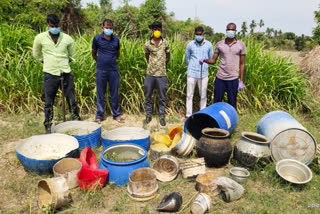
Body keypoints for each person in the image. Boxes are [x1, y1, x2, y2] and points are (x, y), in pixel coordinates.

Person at [33, 14, 81, 134]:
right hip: (50, 73)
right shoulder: (40, 38)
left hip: (65, 72)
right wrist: (45, 61)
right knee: (49, 101)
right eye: (52, 26)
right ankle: (48, 125)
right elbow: (36, 54)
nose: (55, 28)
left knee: (71, 99)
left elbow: (72, 55)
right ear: (48, 25)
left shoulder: (67, 39)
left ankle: (75, 120)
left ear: (60, 25)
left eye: (57, 25)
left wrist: (64, 62)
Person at [200, 23, 245, 110]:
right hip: (220, 78)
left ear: (235, 31)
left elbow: (242, 63)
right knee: (217, 101)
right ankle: (215, 120)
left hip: (233, 79)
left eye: (232, 30)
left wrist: (241, 81)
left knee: (232, 103)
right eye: (228, 30)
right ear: (226, 31)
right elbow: (213, 60)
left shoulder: (240, 45)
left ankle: (232, 121)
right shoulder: (219, 44)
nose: (230, 32)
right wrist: (205, 60)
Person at [92, 19, 124, 124]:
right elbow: (94, 53)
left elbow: (117, 53)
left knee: (114, 92)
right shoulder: (97, 39)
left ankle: (116, 114)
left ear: (113, 28)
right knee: (100, 92)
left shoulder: (116, 39)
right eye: (106, 28)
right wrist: (101, 61)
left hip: (113, 70)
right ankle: (99, 115)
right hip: (101, 70)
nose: (108, 30)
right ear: (103, 28)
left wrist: (111, 60)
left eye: (110, 28)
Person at [144, 21, 170, 126]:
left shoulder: (165, 43)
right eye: (154, 29)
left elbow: (168, 56)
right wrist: (152, 65)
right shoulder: (147, 44)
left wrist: (162, 65)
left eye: (158, 29)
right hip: (150, 74)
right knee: (148, 95)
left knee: (162, 97)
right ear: (152, 30)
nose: (156, 31)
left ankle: (162, 116)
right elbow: (147, 56)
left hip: (161, 74)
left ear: (161, 30)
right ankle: (148, 115)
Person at [185, 26, 213, 118]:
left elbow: (211, 58)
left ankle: (202, 114)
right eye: (197, 34)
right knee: (189, 95)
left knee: (203, 95)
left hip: (203, 73)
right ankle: (188, 114)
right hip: (192, 73)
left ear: (203, 34)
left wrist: (205, 65)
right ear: (195, 34)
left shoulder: (208, 44)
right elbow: (187, 58)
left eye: (200, 34)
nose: (198, 36)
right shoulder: (190, 44)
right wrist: (191, 66)